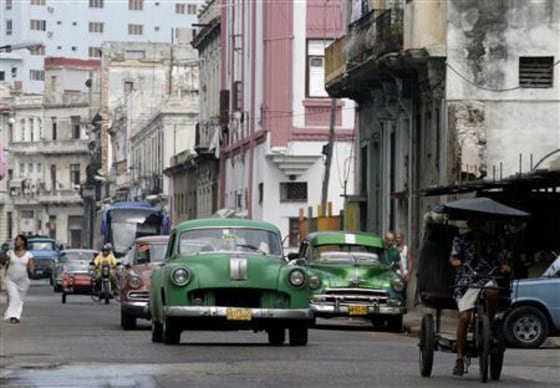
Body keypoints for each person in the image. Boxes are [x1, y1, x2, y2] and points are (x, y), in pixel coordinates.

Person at [449, 219, 510, 376]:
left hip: (486, 276)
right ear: (470, 225)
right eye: (474, 224)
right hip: (466, 279)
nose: (477, 227)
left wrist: (504, 265)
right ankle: (460, 359)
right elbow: (454, 258)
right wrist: (456, 262)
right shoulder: (460, 239)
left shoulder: (493, 241)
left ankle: (488, 323)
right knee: (464, 318)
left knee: (493, 291)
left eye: (479, 224)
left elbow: (502, 259)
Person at [3, 235, 35, 323]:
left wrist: (31, 270)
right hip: (10, 279)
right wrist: (5, 258)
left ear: (22, 242)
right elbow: (3, 263)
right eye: (15, 240)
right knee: (13, 296)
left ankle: (16, 316)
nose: (15, 241)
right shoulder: (10, 253)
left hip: (23, 281)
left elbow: (31, 265)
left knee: (20, 299)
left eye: (17, 240)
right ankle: (11, 315)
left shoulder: (29, 254)